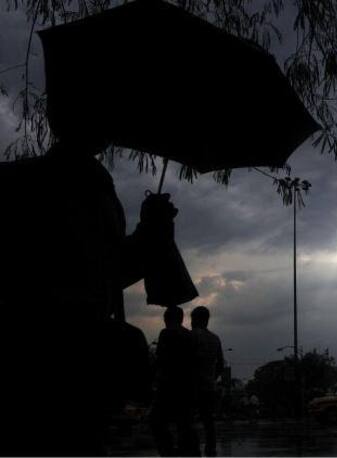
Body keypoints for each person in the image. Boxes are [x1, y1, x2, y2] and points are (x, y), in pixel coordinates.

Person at [0, 139, 178, 455]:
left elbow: (107, 272)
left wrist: (152, 232)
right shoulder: (45, 183)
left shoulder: (94, 188)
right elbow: (106, 272)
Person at [151, 306, 200, 456]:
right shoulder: (190, 335)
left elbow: (161, 359)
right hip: (187, 386)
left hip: (169, 385)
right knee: (184, 423)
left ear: (166, 319)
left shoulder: (166, 333)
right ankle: (187, 450)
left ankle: (169, 451)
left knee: (157, 421)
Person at [191, 306, 225, 457]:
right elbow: (221, 364)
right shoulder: (215, 338)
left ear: (196, 319)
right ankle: (210, 448)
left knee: (188, 418)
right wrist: (211, 377)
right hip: (209, 385)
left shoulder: (191, 336)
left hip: (192, 385)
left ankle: (192, 448)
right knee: (208, 420)